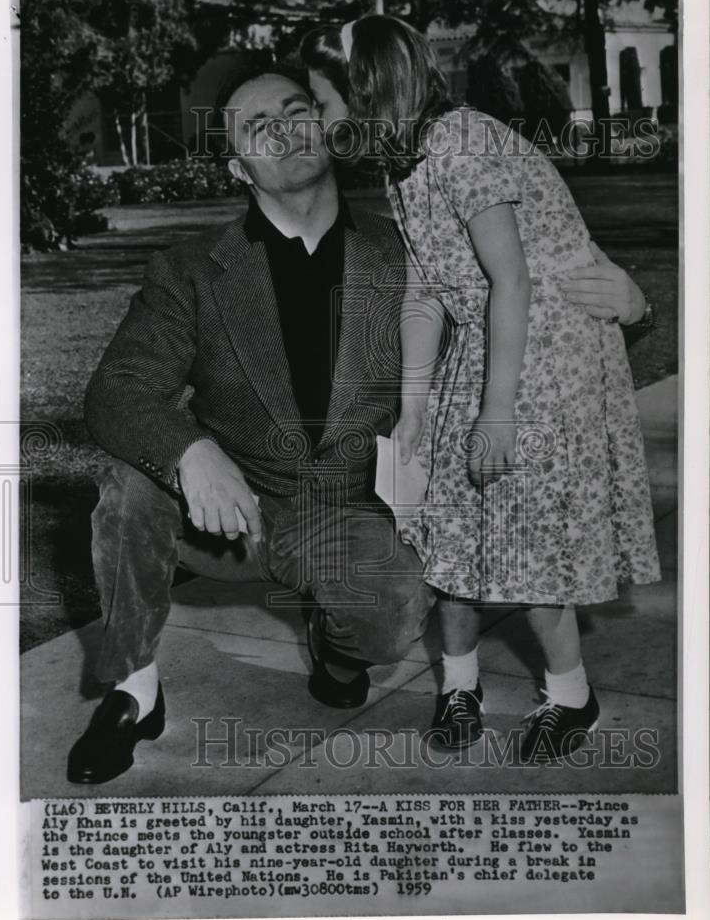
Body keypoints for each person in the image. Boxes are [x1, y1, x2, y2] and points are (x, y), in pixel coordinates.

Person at [301, 16, 660, 763]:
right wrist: (415, 409)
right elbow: (428, 292)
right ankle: (458, 685)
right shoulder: (405, 162)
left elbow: (513, 279)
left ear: (367, 92)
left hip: (545, 354)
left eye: (326, 101)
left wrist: (497, 415)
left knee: (526, 535)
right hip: (490, 340)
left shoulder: (465, 141)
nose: (324, 120)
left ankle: (573, 697)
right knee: (447, 528)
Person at [67, 61, 435, 784]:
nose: (284, 131)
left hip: (344, 508)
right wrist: (190, 449)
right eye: (258, 127)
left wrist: (628, 305)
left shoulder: (405, 252)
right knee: (129, 489)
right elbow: (116, 391)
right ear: (240, 166)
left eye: (295, 111)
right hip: (226, 516)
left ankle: (333, 638)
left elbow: (494, 332)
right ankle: (134, 691)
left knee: (390, 622)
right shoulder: (192, 268)